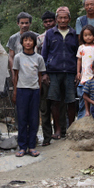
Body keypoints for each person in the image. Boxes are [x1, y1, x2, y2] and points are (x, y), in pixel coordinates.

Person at [41, 6, 79, 140]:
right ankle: (57, 129)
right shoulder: (50, 34)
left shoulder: (74, 34)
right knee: (55, 101)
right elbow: (44, 53)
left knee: (71, 101)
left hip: (70, 71)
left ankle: (71, 128)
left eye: (65, 18)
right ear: (56, 19)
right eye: (60, 18)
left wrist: (77, 72)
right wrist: (44, 72)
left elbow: (78, 54)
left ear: (69, 19)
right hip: (54, 71)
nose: (62, 20)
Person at [12, 32, 45, 157]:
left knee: (34, 119)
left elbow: (40, 76)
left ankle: (32, 146)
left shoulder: (39, 58)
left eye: (30, 40)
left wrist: (39, 91)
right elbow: (15, 75)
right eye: (25, 40)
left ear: (34, 43)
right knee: (22, 119)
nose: (28, 42)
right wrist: (15, 92)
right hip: (21, 90)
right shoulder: (18, 57)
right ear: (22, 43)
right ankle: (22, 147)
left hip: (34, 91)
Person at [37, 11, 66, 146]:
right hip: (44, 75)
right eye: (46, 22)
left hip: (58, 73)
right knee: (45, 107)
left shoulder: (61, 34)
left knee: (59, 102)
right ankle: (47, 137)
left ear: (54, 21)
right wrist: (43, 74)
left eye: (50, 21)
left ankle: (61, 131)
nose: (48, 24)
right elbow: (39, 58)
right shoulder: (39, 38)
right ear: (43, 23)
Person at [76, 25, 94, 118]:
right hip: (85, 74)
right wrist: (78, 72)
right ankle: (86, 112)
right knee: (85, 94)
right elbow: (79, 60)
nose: (88, 37)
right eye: (85, 35)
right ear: (82, 37)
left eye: (90, 35)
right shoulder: (81, 47)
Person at [7, 12, 37, 77]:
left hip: (34, 69)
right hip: (19, 69)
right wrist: (13, 73)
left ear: (30, 23)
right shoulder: (13, 38)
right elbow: (11, 57)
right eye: (22, 23)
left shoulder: (37, 37)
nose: (24, 25)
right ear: (18, 23)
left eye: (26, 23)